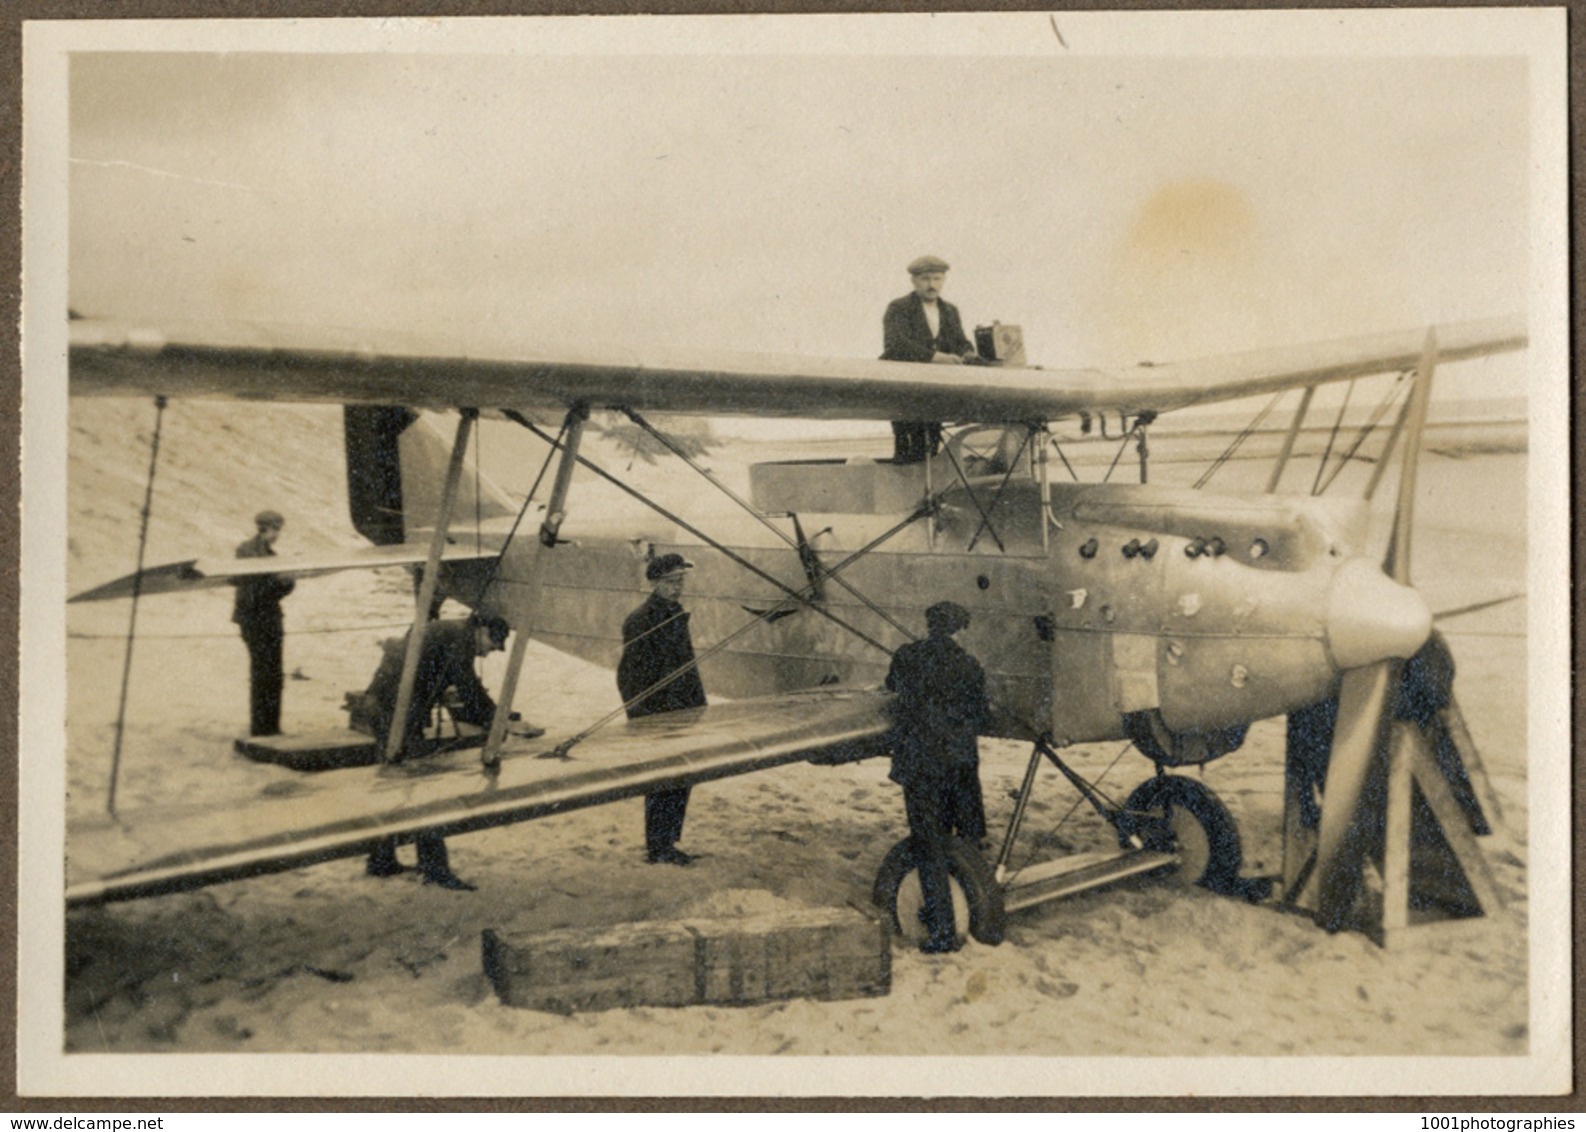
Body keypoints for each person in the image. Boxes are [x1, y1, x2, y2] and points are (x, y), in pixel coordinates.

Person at [362, 611, 512, 891]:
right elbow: (466, 685)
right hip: (394, 709)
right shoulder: (459, 638)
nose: (489, 653)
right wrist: (496, 720)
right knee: (422, 786)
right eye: (492, 645)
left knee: (395, 783)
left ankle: (381, 860)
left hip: (386, 703)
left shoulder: (449, 630)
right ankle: (434, 869)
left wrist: (496, 714)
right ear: (482, 630)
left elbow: (452, 679)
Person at [883, 600, 990, 954]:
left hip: (921, 764)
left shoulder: (907, 656)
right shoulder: (970, 665)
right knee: (967, 837)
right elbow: (981, 715)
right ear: (961, 629)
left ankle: (943, 930)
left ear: (930, 626)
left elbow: (891, 688)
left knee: (929, 844)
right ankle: (980, 910)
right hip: (959, 765)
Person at [617, 553, 706, 866]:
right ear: (654, 583)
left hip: (681, 710)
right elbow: (629, 673)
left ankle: (668, 842)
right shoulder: (641, 619)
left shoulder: (674, 612)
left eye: (680, 581)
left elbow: (686, 665)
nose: (677, 587)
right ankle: (658, 847)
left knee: (681, 776)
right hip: (657, 713)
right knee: (663, 779)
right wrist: (640, 715)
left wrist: (698, 704)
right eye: (671, 582)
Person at [880, 255, 979, 464]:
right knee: (907, 442)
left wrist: (968, 354)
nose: (931, 285)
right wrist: (935, 357)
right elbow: (896, 344)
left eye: (936, 279)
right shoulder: (898, 308)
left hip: (933, 387)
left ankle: (929, 487)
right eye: (925, 279)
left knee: (932, 438)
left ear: (943, 280)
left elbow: (960, 341)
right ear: (914, 281)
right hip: (904, 386)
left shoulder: (950, 311)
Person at [232, 509, 295, 737]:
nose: (277, 534)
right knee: (263, 674)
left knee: (274, 674)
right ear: (264, 528)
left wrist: (287, 582)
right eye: (275, 529)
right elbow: (253, 587)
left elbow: (276, 588)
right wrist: (282, 582)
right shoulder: (246, 551)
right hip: (254, 619)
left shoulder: (269, 556)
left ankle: (271, 728)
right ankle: (261, 729)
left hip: (269, 618)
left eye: (278, 529)